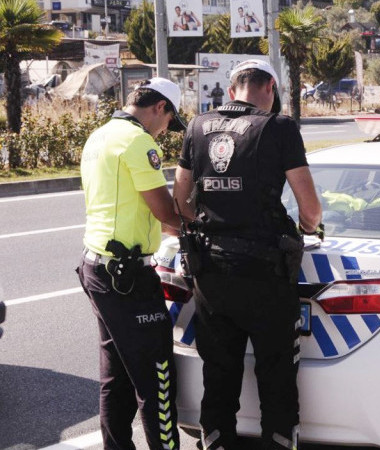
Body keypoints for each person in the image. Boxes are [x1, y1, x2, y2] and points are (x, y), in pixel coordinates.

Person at [173, 59, 322, 450]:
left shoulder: (197, 126)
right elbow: (310, 210)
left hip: (210, 273)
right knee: (276, 372)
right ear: (270, 87)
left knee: (218, 371)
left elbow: (181, 200)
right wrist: (307, 228)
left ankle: (216, 441)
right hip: (265, 274)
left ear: (231, 88)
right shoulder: (279, 127)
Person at [77, 77, 187, 450]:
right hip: (127, 277)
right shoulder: (138, 141)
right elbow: (166, 213)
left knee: (117, 376)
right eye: (169, 121)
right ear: (160, 107)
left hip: (97, 268)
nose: (166, 130)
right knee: (157, 376)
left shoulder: (99, 136)